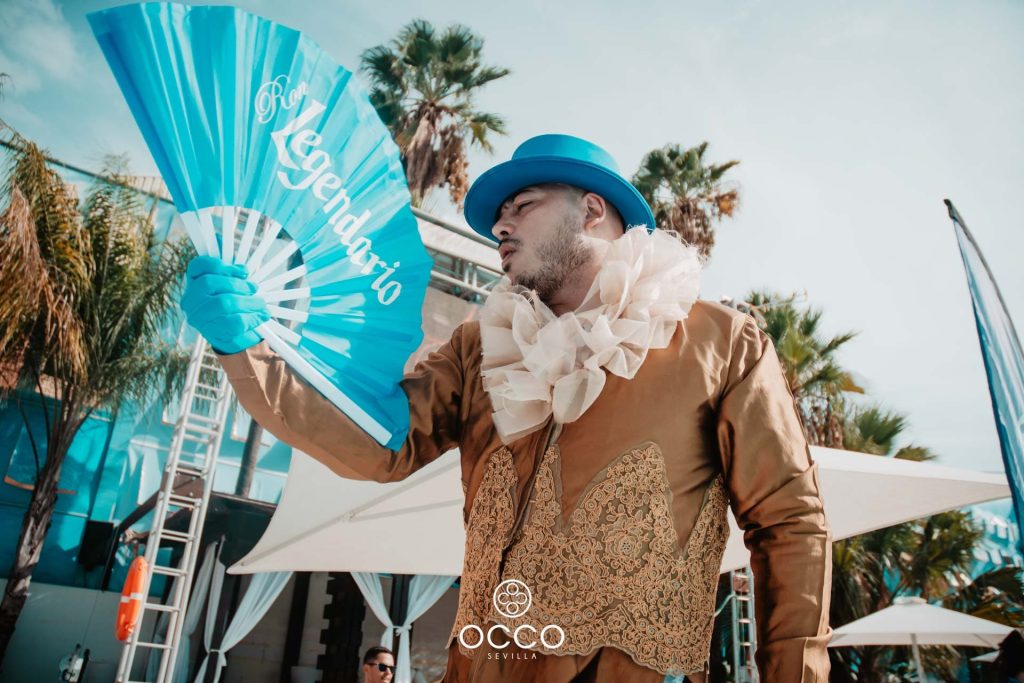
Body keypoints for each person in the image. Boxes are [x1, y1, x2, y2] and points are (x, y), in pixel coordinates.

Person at [181, 134, 832, 682]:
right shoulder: (477, 347)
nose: (501, 226)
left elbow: (791, 523)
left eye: (522, 205)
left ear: (592, 211)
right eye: (499, 216)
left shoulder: (721, 341)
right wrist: (248, 350)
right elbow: (382, 446)